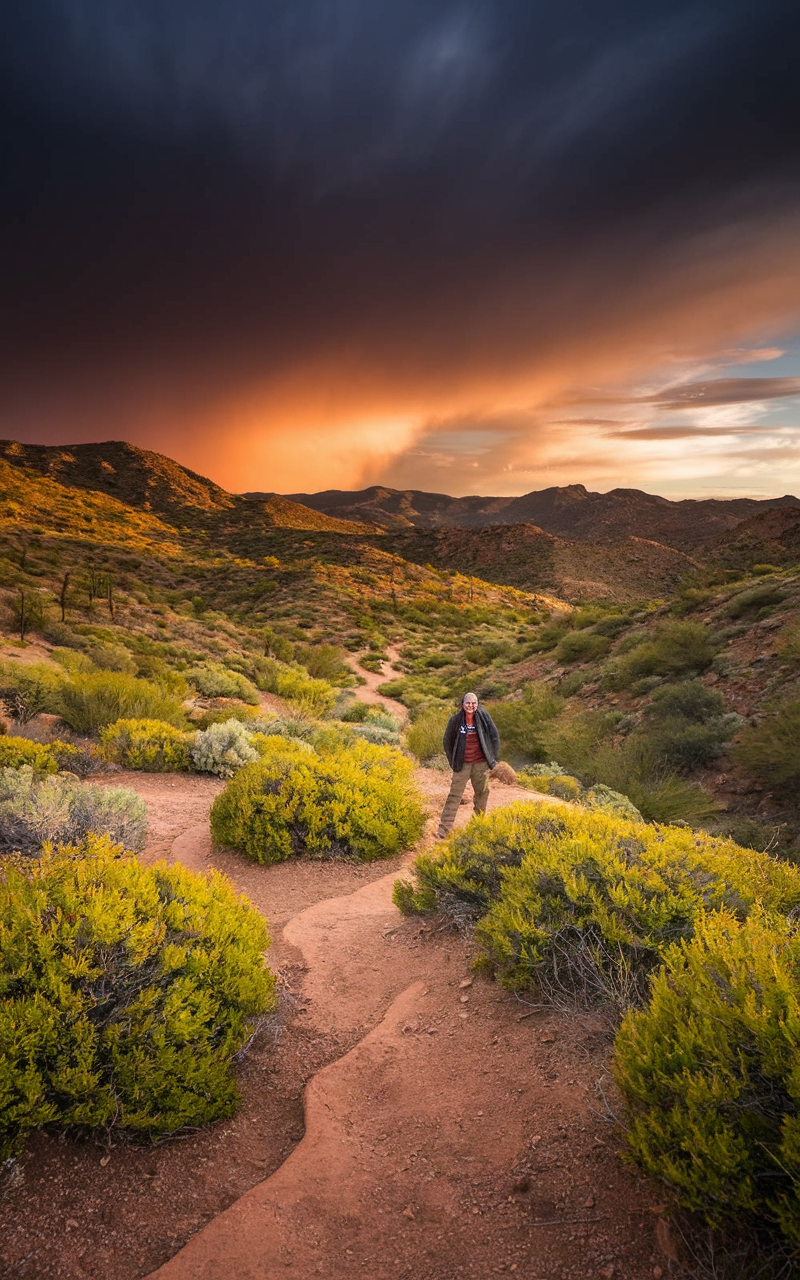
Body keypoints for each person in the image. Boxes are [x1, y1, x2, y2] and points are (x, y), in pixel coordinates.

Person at [437, 692, 500, 839]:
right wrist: (452, 760)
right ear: (462, 704)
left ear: (477, 704)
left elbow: (494, 736)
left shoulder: (484, 717)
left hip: (481, 764)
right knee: (454, 795)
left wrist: (493, 759)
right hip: (462, 764)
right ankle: (443, 829)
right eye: (468, 703)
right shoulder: (456, 720)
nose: (471, 706)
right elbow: (447, 740)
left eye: (474, 703)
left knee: (482, 793)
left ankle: (478, 825)